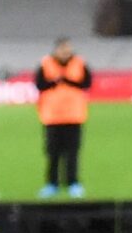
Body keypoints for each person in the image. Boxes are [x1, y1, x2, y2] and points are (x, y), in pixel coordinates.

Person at [34, 37, 92, 199]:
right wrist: (54, 82)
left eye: (68, 49)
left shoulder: (79, 63)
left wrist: (66, 81)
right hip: (52, 117)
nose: (66, 52)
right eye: (62, 49)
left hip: (74, 116)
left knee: (72, 152)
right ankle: (52, 184)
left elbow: (86, 83)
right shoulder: (45, 64)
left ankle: (73, 183)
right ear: (56, 50)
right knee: (53, 153)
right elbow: (39, 85)